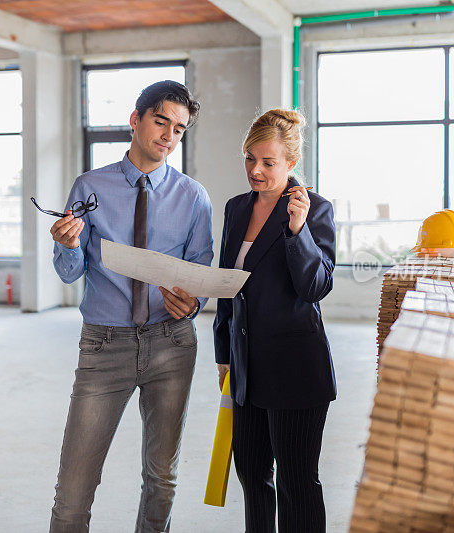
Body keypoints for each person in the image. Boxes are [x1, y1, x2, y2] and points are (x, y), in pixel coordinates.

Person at [48, 80, 213, 533]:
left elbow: (199, 271)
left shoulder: (193, 197)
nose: (169, 135)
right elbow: (69, 272)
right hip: (105, 345)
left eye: (179, 129)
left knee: (161, 478)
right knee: (74, 489)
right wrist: (66, 244)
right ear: (136, 119)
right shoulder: (90, 185)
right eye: (161, 121)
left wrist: (191, 302)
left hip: (171, 345)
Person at [213, 108, 336, 532]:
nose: (256, 170)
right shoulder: (235, 209)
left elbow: (315, 287)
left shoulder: (314, 209)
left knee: (297, 481)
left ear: (291, 164)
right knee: (252, 474)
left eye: (268, 162)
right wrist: (223, 352)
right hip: (246, 365)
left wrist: (298, 231)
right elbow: (230, 284)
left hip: (295, 365)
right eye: (250, 158)